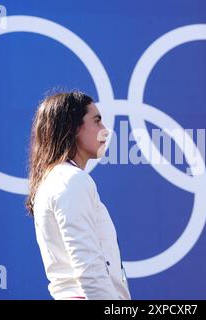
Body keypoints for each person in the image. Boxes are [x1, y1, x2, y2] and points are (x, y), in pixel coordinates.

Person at [25, 91, 131, 300]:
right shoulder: (71, 180)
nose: (106, 131)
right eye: (97, 121)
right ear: (72, 128)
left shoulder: (58, 179)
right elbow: (89, 267)